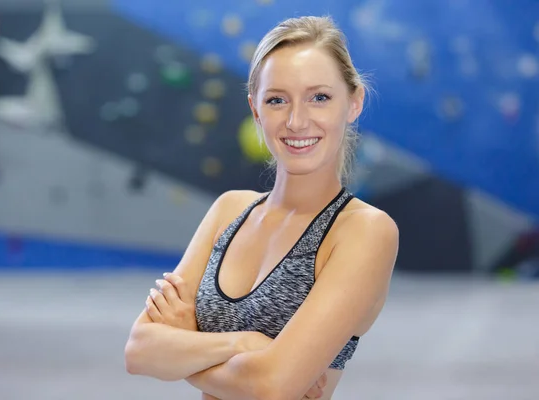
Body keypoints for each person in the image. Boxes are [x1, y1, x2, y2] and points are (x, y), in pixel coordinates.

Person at [124, 15, 399, 400]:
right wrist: (245, 344)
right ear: (256, 109)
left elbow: (270, 386)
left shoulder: (365, 230)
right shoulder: (228, 211)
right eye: (277, 100)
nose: (297, 120)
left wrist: (186, 348)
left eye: (319, 97)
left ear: (353, 103)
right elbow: (139, 351)